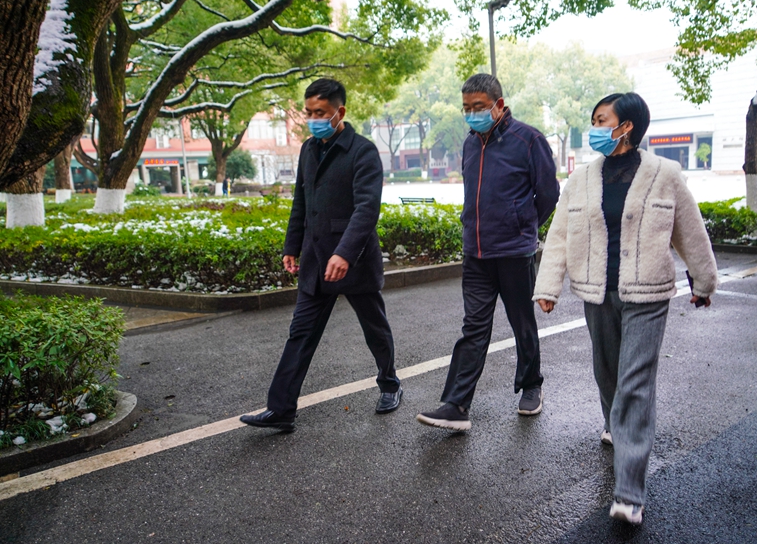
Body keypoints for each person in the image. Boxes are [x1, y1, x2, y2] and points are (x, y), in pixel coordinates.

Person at [532, 92, 719, 525]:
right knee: (607, 373)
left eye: (602, 120)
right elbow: (560, 235)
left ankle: (630, 492)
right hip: (598, 292)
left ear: (626, 125)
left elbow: (689, 230)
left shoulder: (664, 174)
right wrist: (548, 286)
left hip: (647, 293)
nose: (595, 128)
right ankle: (615, 425)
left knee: (635, 384)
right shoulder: (582, 178)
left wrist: (704, 280)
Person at [240, 78, 402, 432]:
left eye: (321, 113)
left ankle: (390, 384)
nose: (313, 119)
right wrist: (291, 246)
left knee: (375, 329)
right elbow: (301, 202)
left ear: (339, 112)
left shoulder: (362, 151)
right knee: (300, 334)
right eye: (309, 112)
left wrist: (344, 253)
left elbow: (366, 210)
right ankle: (281, 409)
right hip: (315, 262)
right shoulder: (308, 150)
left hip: (354, 261)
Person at [416, 73, 559, 431]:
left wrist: (524, 225)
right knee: (473, 328)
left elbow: (549, 193)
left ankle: (531, 384)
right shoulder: (469, 144)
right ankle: (456, 405)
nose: (471, 114)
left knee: (522, 323)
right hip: (476, 254)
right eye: (466, 108)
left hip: (514, 252)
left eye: (478, 107)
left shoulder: (529, 140)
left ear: (499, 105)